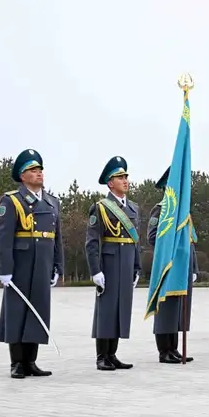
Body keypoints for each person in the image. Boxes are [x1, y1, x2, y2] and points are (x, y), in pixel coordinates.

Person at [0, 149, 64, 379]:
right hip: (21, 264)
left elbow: (57, 238)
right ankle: (17, 363)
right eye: (33, 170)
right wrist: (4, 270)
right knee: (17, 311)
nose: (39, 174)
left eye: (40, 170)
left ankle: (31, 361)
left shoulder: (52, 202)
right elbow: (3, 238)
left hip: (43, 263)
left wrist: (58, 266)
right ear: (22, 176)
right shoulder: (11, 200)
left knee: (38, 311)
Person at [86, 156, 141, 371]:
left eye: (126, 176)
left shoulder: (134, 208)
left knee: (120, 309)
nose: (125, 180)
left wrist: (137, 267)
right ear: (110, 183)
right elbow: (92, 242)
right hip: (108, 264)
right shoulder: (100, 207)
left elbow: (136, 242)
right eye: (120, 177)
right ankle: (102, 356)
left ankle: (113, 354)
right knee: (107, 309)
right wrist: (95, 270)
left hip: (126, 263)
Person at [147, 167, 198, 364]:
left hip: (183, 267)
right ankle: (164, 350)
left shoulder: (184, 212)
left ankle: (174, 348)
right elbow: (153, 237)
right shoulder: (160, 210)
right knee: (166, 307)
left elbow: (190, 243)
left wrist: (193, 267)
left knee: (178, 309)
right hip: (168, 265)